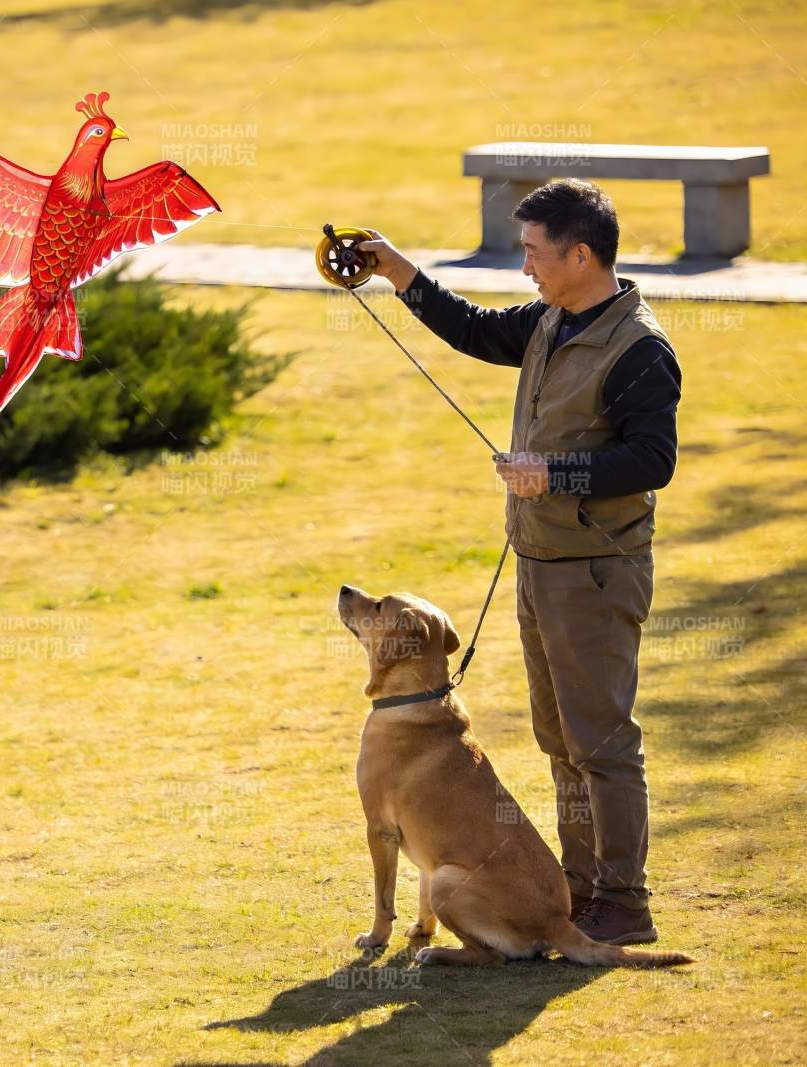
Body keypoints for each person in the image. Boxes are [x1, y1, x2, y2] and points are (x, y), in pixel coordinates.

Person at [358, 178, 682, 945]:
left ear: (580, 254)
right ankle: (579, 887)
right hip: (543, 562)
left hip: (595, 572)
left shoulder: (641, 349)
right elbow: (472, 329)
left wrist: (555, 475)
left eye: (535, 252)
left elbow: (654, 458)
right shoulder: (552, 319)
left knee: (602, 742)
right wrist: (399, 271)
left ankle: (624, 902)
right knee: (559, 739)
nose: (526, 267)